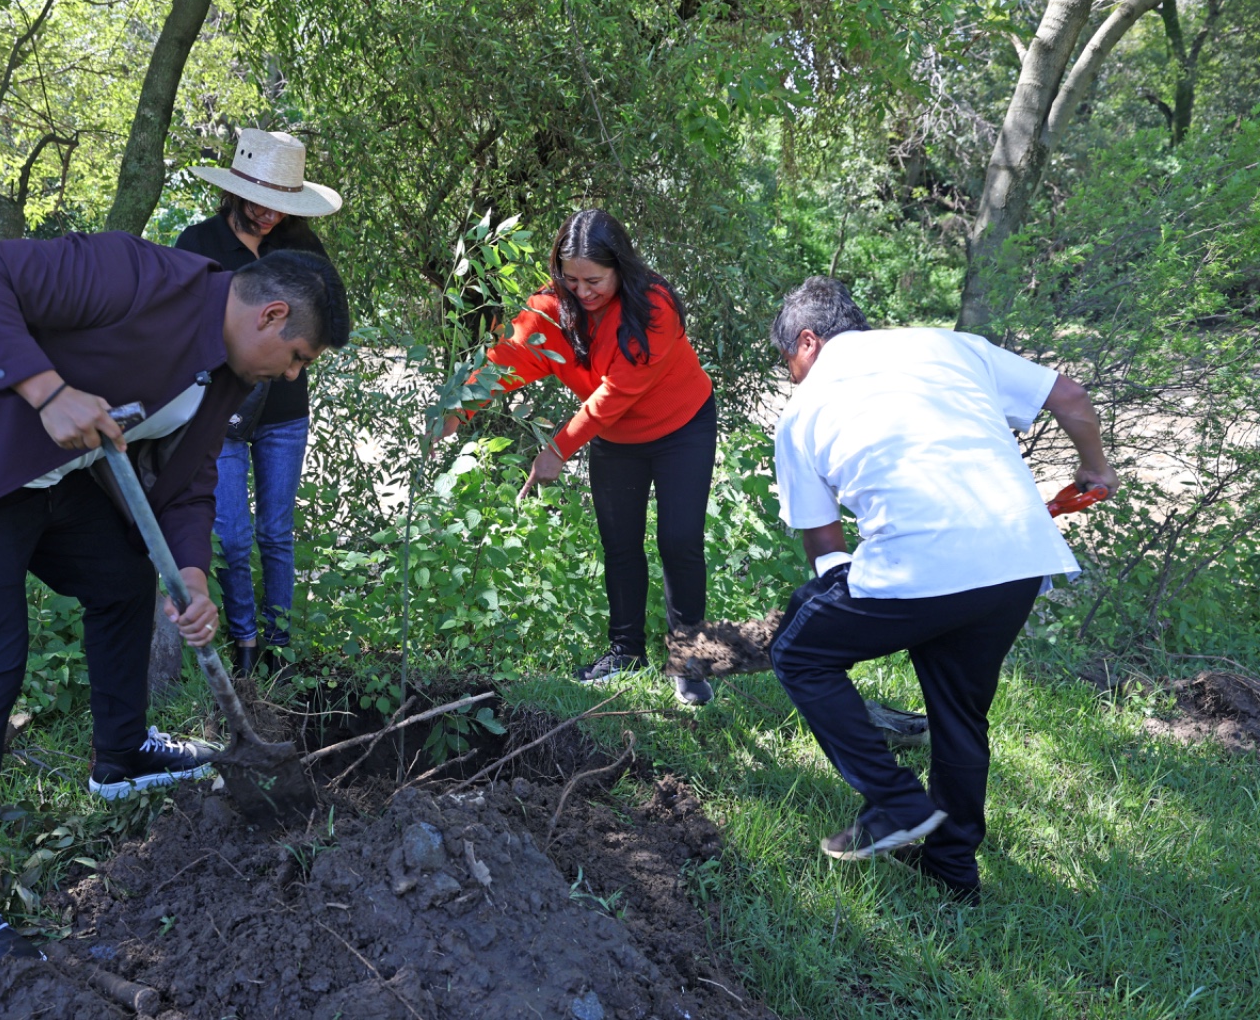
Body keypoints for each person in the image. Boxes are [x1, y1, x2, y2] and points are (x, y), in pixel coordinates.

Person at [0, 231, 349, 961]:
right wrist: (46, 390)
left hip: (49, 485)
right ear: (271, 316)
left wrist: (189, 572)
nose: (290, 375)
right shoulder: (141, 276)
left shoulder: (228, 380)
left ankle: (121, 755)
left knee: (123, 574)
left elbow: (188, 483)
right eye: (299, 358)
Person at [766, 276, 1117, 905]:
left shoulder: (801, 410)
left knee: (800, 654)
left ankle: (898, 802)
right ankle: (952, 871)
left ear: (809, 343)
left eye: (788, 361)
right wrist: (1095, 466)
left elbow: (824, 544)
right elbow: (1070, 397)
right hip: (1017, 559)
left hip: (918, 566)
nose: (792, 378)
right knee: (959, 712)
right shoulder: (951, 347)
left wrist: (843, 603)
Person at [439, 209, 718, 706]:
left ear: (621, 268)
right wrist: (458, 406)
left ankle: (690, 662)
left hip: (682, 428)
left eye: (595, 280)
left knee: (678, 540)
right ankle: (626, 655)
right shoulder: (552, 310)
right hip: (615, 438)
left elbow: (614, 394)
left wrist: (557, 450)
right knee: (620, 543)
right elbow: (507, 359)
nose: (583, 291)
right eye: (571, 279)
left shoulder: (654, 308)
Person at [174, 129, 343, 676]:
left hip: (284, 413)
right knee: (233, 534)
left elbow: (326, 322)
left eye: (279, 205)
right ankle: (244, 645)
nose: (267, 215)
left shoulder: (302, 249)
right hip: (218, 409)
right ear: (234, 191)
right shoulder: (196, 242)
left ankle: (279, 646)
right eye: (259, 202)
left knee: (275, 530)